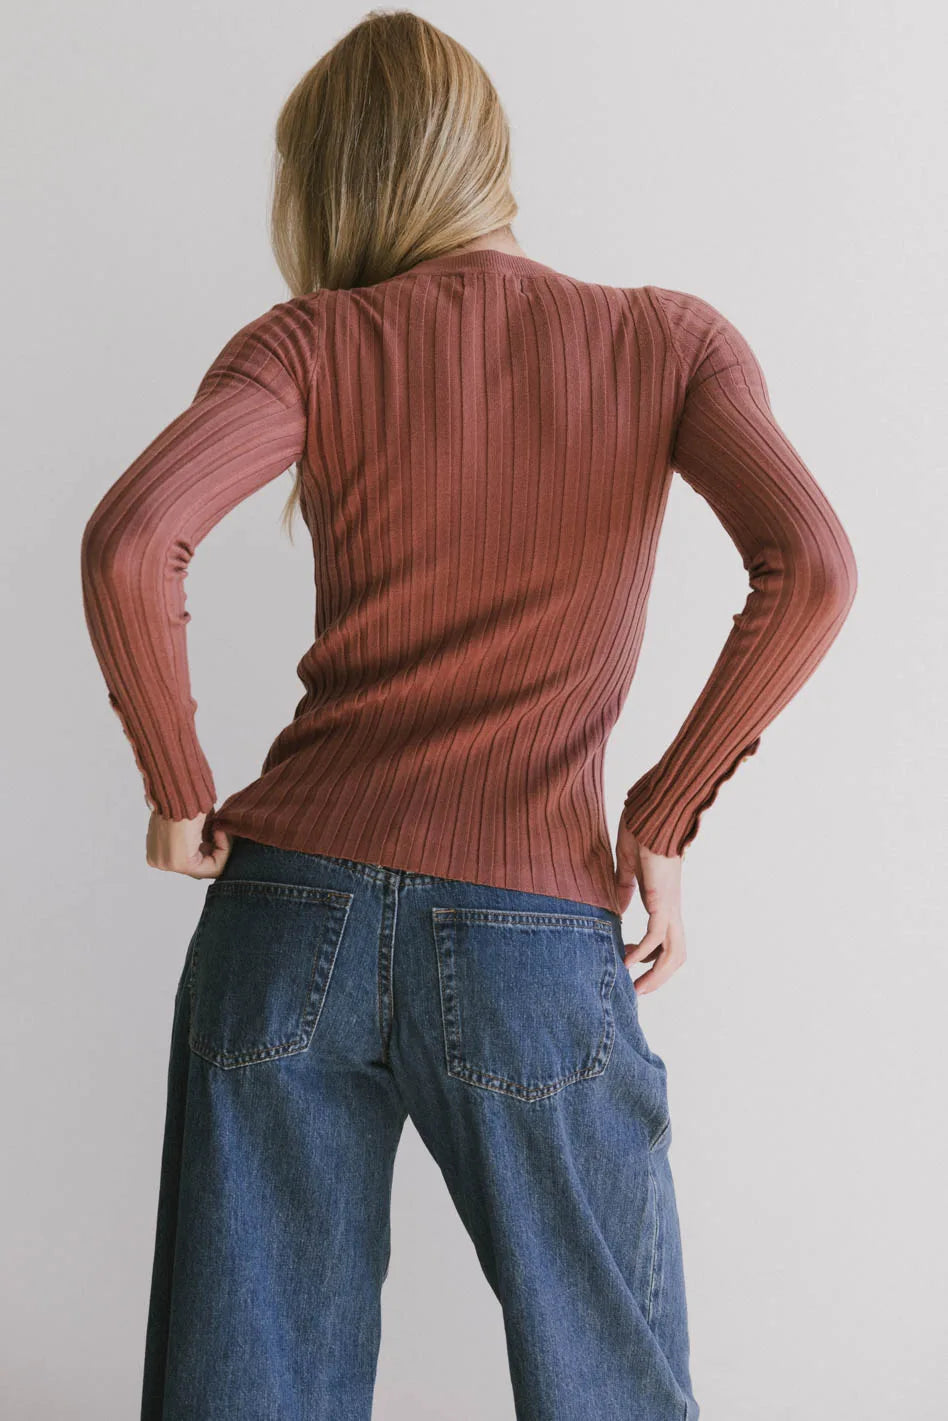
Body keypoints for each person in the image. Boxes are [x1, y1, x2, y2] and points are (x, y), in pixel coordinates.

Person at [79, 11, 857, 1421]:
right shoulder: (666, 341)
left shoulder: (312, 342)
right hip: (530, 929)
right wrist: (662, 817)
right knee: (611, 1385)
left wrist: (180, 787)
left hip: (287, 914)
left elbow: (137, 538)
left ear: (334, 184)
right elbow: (812, 561)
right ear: (484, 157)